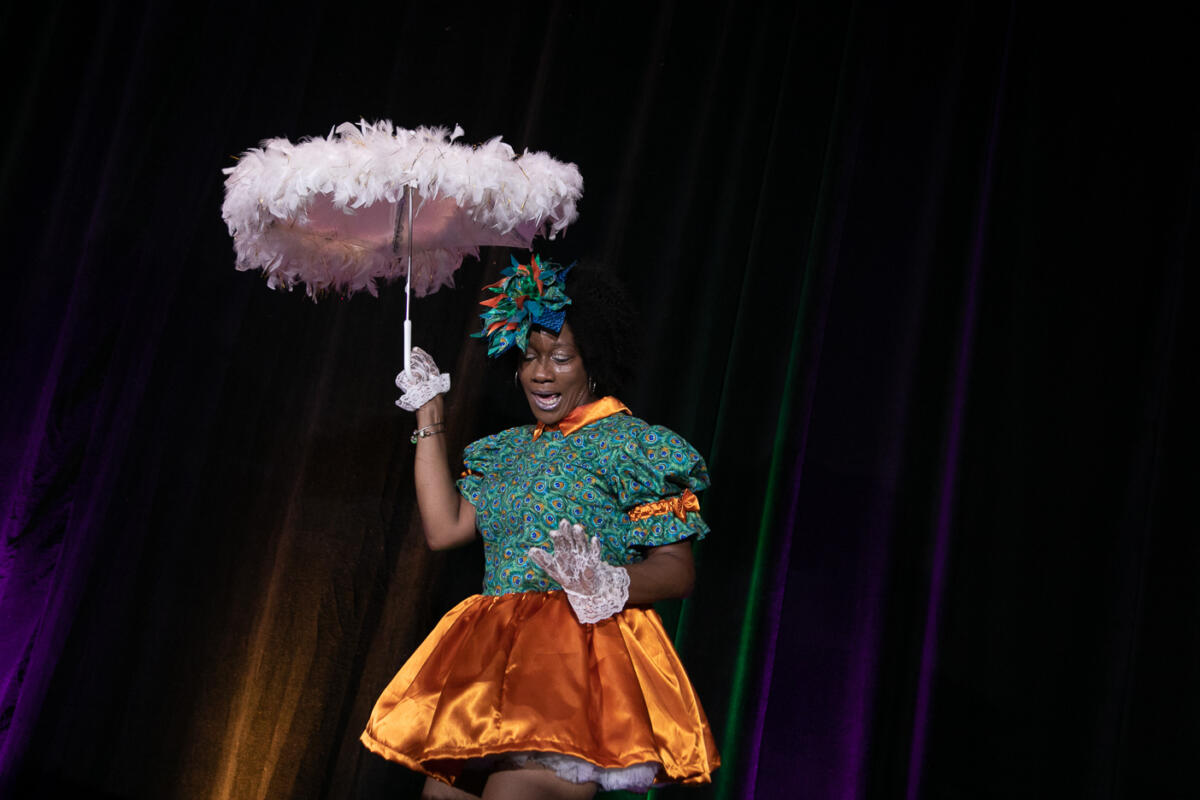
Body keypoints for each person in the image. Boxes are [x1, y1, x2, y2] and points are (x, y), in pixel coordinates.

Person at [360, 256, 719, 799]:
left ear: (593, 362)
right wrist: (429, 415)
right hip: (488, 667)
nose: (541, 373)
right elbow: (444, 528)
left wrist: (606, 581)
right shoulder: (504, 451)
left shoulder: (633, 446)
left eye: (561, 357)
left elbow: (676, 571)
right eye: (530, 356)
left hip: (568, 665)